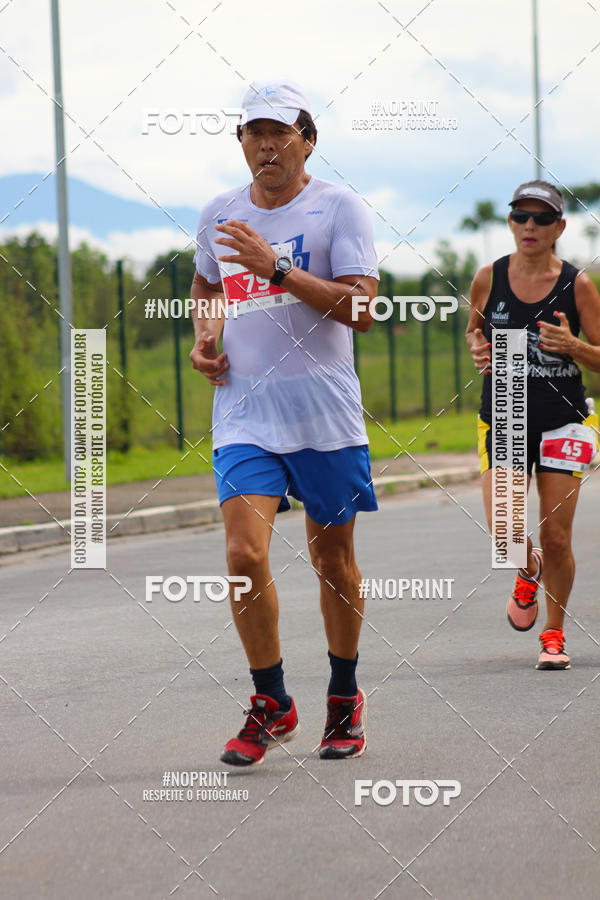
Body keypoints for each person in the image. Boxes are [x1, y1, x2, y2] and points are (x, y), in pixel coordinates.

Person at [189, 80, 379, 765]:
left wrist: (280, 269)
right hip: (245, 411)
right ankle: (271, 698)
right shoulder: (219, 211)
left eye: (279, 133)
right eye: (252, 134)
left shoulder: (339, 209)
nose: (265, 146)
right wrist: (205, 337)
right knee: (243, 555)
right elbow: (208, 284)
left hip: (324, 414)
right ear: (240, 143)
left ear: (308, 139)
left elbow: (361, 309)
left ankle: (343, 696)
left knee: (333, 560)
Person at [466, 180, 600, 670]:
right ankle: (528, 569)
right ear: (510, 223)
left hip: (564, 417)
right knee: (505, 530)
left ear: (559, 227)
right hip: (504, 409)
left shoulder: (578, 284)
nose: (530, 226)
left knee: (558, 535)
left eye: (542, 218)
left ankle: (554, 633)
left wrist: (576, 348)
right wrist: (477, 347)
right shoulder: (489, 277)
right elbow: (474, 331)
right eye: (521, 216)